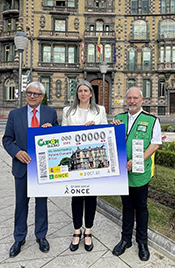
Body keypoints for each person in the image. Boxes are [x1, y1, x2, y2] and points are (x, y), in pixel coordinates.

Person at [3, 81, 58, 258]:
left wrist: (52, 131)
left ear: (42, 96)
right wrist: (17, 152)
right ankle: (19, 238)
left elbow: (58, 137)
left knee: (41, 203)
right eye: (29, 93)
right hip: (22, 166)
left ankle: (41, 236)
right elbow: (7, 140)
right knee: (21, 204)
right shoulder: (14, 114)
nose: (32, 96)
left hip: (42, 167)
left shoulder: (50, 113)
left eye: (36, 94)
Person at [111, 87, 162, 261]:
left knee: (141, 208)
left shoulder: (151, 120)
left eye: (135, 98)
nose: (132, 101)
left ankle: (142, 242)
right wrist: (112, 127)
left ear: (141, 100)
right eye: (129, 98)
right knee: (126, 207)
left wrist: (137, 160)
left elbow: (155, 144)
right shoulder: (118, 119)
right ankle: (126, 239)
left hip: (140, 173)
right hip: (123, 174)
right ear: (126, 100)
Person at [62, 80, 108, 252]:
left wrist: (96, 127)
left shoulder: (99, 111)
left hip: (92, 162)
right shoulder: (68, 111)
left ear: (90, 94)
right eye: (80, 90)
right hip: (76, 160)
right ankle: (76, 231)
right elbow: (63, 133)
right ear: (77, 94)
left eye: (86, 90)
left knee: (90, 197)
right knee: (76, 197)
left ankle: (88, 231)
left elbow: (106, 132)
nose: (82, 93)